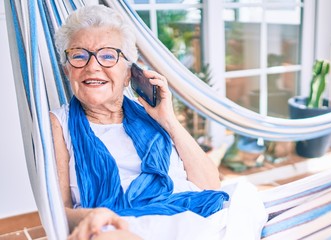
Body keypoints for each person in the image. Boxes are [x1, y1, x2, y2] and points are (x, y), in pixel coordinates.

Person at [50, 5, 267, 240]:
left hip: (191, 215)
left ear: (128, 73)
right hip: (122, 227)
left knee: (245, 195)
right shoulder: (58, 124)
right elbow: (58, 211)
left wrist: (168, 119)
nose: (93, 66)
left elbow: (210, 185)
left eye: (108, 56)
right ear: (67, 70)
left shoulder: (152, 114)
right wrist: (91, 216)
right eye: (79, 55)